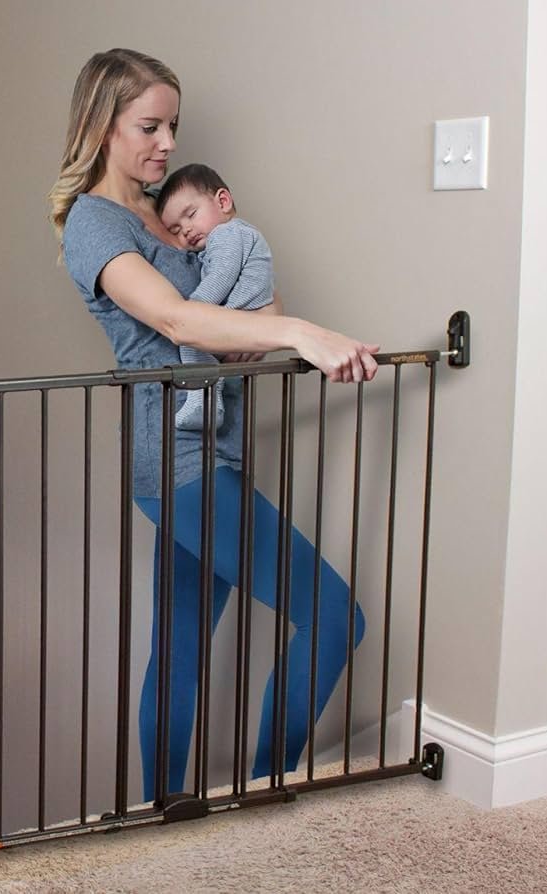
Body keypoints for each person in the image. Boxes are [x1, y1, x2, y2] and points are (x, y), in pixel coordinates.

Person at [50, 48, 379, 803]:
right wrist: (296, 330)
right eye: (149, 125)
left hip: (214, 453)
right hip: (176, 462)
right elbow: (171, 316)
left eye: (173, 125)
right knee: (334, 616)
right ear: (103, 126)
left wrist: (270, 320)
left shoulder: (167, 216)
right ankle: (264, 795)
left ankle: (166, 811)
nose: (167, 142)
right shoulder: (93, 225)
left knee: (179, 647)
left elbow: (239, 316)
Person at [156, 163, 273, 431]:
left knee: (190, 339)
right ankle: (208, 398)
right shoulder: (238, 234)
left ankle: (203, 399)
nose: (186, 229)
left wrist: (192, 311)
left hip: (237, 314)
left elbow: (221, 277)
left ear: (223, 200)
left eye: (191, 214)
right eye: (175, 230)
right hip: (245, 318)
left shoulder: (227, 234)